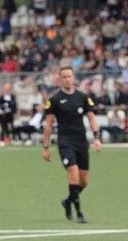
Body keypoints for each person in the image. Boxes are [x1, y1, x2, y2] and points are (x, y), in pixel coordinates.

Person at [42, 66, 102, 224]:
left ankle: (68, 201)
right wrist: (46, 148)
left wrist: (96, 138)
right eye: (64, 77)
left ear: (73, 78)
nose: (67, 79)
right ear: (60, 79)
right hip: (65, 141)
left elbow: (91, 118)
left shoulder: (83, 97)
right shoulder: (54, 100)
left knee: (84, 181)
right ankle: (79, 213)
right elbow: (48, 125)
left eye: (69, 76)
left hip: (81, 141)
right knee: (73, 174)